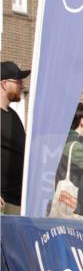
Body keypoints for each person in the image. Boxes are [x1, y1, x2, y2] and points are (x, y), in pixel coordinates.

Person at [0, 61, 30, 215]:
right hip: (4, 204)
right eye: (18, 81)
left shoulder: (13, 116)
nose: (22, 86)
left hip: (19, 201)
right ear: (4, 83)